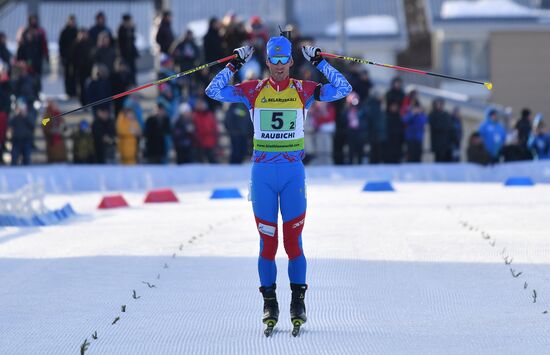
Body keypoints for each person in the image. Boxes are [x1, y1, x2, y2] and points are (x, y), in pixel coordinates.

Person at [205, 35, 351, 334]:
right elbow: (213, 90)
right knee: (268, 243)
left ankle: (298, 302)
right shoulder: (253, 90)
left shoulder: (303, 90)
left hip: (292, 173)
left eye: (285, 60)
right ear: (268, 61)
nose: (281, 66)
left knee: (293, 242)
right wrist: (235, 62)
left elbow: (344, 89)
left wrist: (320, 61)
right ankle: (269, 302)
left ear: (291, 61)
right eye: (275, 59)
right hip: (263, 176)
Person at [58, 15, 78, 97]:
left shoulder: (76, 31)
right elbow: (61, 45)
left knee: (74, 75)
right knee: (67, 75)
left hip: (75, 58)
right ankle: (68, 91)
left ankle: (74, 91)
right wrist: (62, 56)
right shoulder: (64, 31)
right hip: (66, 57)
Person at [117, 14, 139, 85]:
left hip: (131, 53)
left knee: (133, 68)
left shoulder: (131, 28)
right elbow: (120, 42)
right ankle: (128, 82)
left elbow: (133, 39)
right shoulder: (121, 29)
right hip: (125, 54)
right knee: (126, 69)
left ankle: (133, 81)